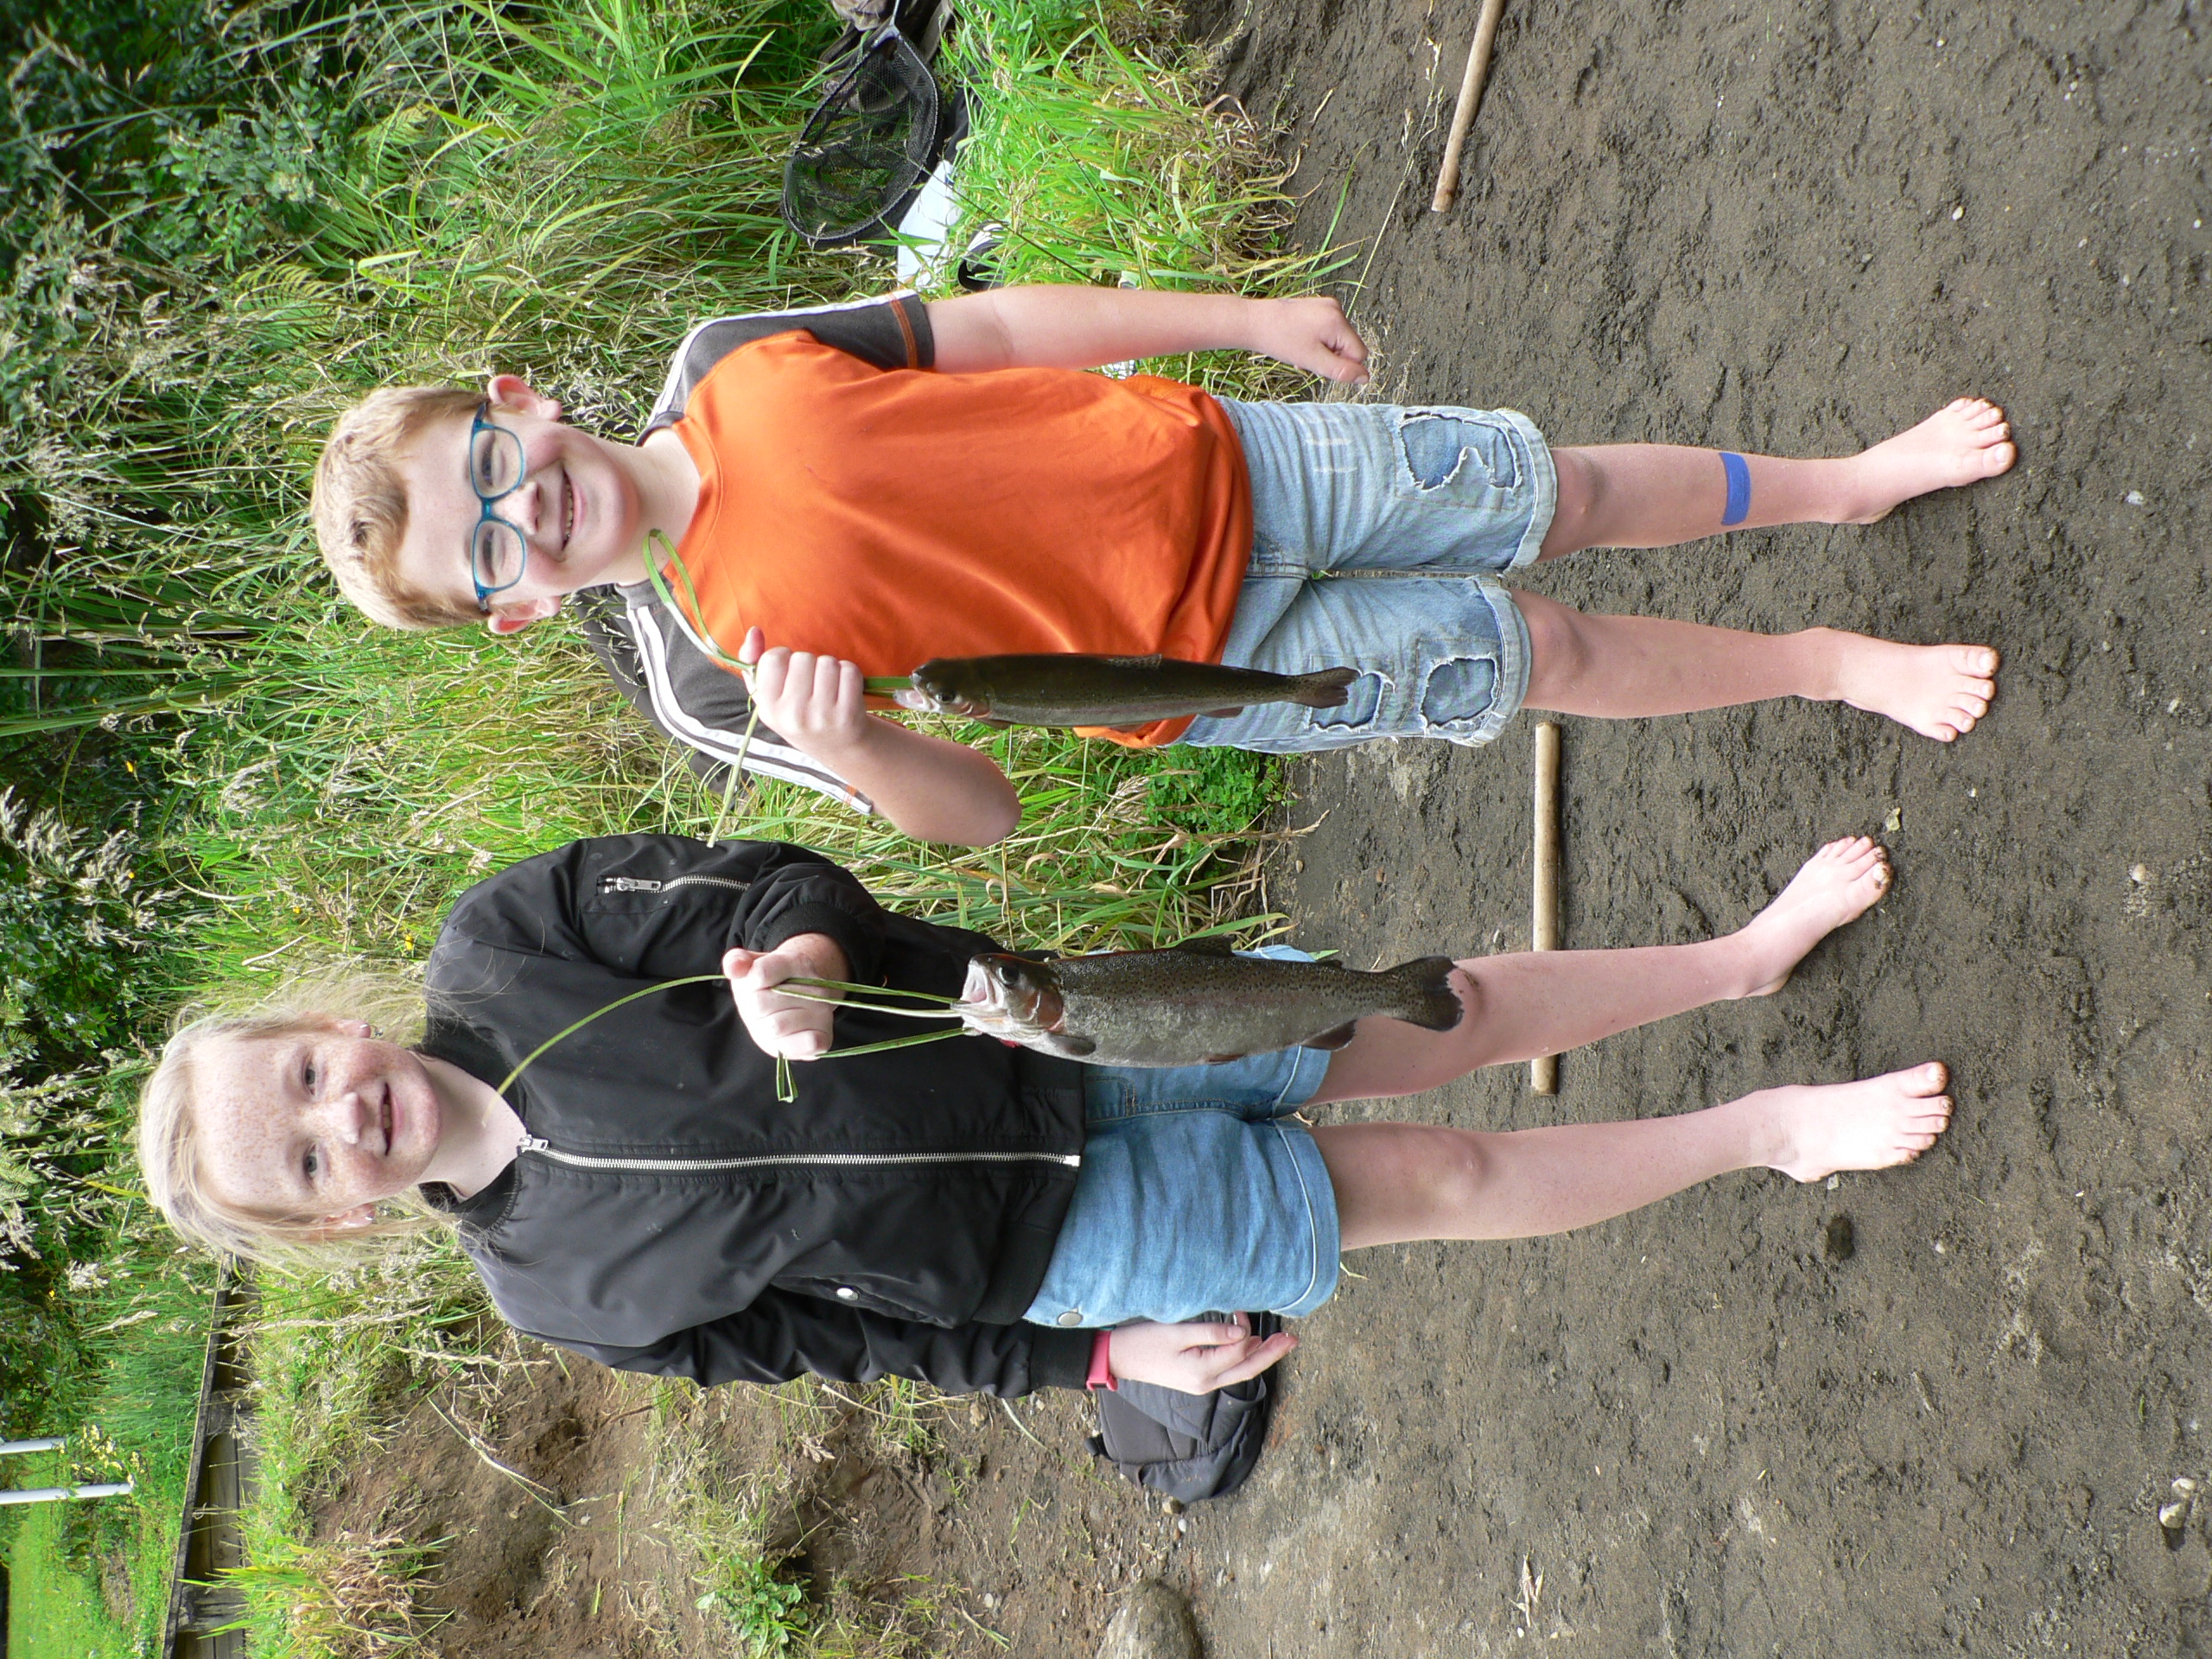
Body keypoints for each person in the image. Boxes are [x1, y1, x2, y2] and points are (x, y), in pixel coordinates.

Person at [137, 830, 1949, 1398]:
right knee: (1440, 1176)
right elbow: (835, 1350)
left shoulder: (505, 943)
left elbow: (758, 878)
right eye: (300, 1160)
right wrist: (1089, 1368)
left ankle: (1735, 959)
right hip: (1065, 1254)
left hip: (1056, 1024)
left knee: (1427, 1012)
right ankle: (1764, 1131)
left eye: (300, 1075)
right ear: (331, 1220)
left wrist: (795, 952)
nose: (340, 1114)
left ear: (319, 1025)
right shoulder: (560, 1300)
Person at [310, 285, 2013, 849]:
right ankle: (1823, 661)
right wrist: (849, 745)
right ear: (512, 611)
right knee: (1536, 651)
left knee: (1547, 490)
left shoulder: (734, 352)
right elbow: (979, 814)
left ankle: (1838, 484)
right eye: (484, 561)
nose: (518, 514)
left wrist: (1230, 318)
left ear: (516, 403)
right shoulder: (707, 682)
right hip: (1195, 684)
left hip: (1236, 461)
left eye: (488, 470)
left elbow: (986, 328)